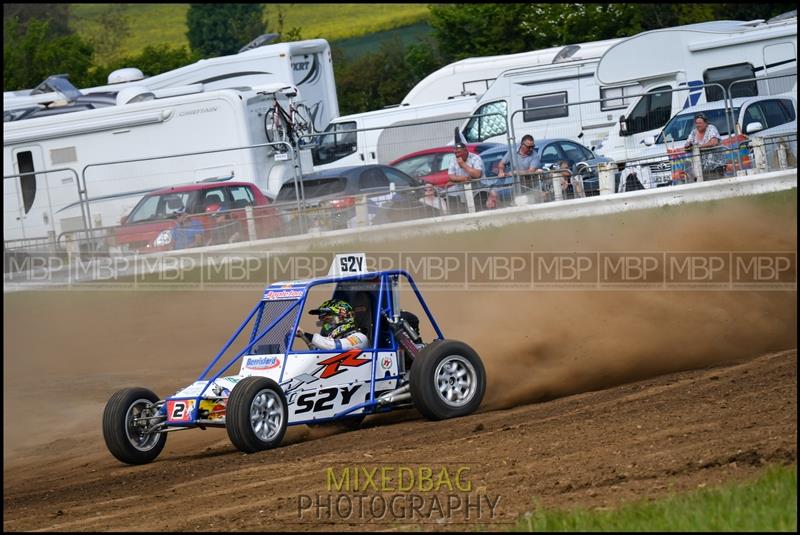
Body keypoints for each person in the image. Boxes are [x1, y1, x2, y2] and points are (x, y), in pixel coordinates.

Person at [295, 299, 368, 350]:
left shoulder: (360, 338)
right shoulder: (333, 340)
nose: (326, 325)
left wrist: (307, 335)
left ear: (344, 317)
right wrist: (302, 336)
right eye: (323, 322)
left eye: (328, 320)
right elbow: (318, 353)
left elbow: (333, 347)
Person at [446, 128, 484, 210]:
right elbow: (451, 176)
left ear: (465, 151)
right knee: (446, 195)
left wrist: (464, 165)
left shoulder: (475, 158)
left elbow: (477, 174)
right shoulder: (453, 160)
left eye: (459, 152)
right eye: (455, 153)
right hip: (461, 191)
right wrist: (462, 178)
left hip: (477, 190)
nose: (457, 155)